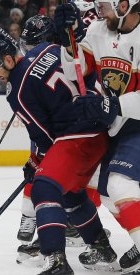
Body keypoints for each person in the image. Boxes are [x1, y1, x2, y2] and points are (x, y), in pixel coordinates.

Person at [0, 33, 119, 274]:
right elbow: (86, 69)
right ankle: (101, 248)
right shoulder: (48, 47)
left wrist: (36, 161)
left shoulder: (16, 91)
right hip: (103, 125)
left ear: (8, 59)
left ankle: (56, 260)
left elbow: (44, 137)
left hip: (78, 137)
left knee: (44, 187)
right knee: (72, 194)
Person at [55, 0, 140, 273]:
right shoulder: (97, 31)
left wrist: (113, 105)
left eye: (102, 4)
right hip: (118, 126)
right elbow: (75, 70)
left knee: (120, 186)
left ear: (123, 4)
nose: (98, 10)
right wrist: (69, 42)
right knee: (105, 194)